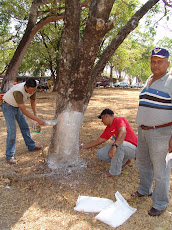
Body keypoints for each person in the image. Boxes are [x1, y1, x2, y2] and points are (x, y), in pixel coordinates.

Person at [132, 47, 172, 217]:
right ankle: (144, 189)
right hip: (143, 131)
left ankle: (161, 202)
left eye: (160, 62)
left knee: (161, 171)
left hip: (162, 133)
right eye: (153, 61)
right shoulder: (149, 79)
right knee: (143, 164)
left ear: (168, 63)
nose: (155, 65)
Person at [1, 78, 45, 164]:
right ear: (25, 87)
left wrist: (36, 115)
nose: (32, 92)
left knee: (24, 126)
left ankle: (31, 146)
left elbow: (33, 102)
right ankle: (9, 156)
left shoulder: (33, 86)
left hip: (17, 106)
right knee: (12, 131)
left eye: (34, 90)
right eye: (30, 91)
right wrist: (37, 120)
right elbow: (24, 111)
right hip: (7, 106)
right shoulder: (18, 91)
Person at [81, 109, 137, 176]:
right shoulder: (108, 128)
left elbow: (123, 132)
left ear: (106, 116)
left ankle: (114, 172)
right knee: (100, 154)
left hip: (133, 149)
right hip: (120, 147)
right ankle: (124, 161)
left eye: (102, 118)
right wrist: (83, 146)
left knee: (120, 144)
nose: (102, 121)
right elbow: (98, 141)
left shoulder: (119, 120)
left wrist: (114, 146)